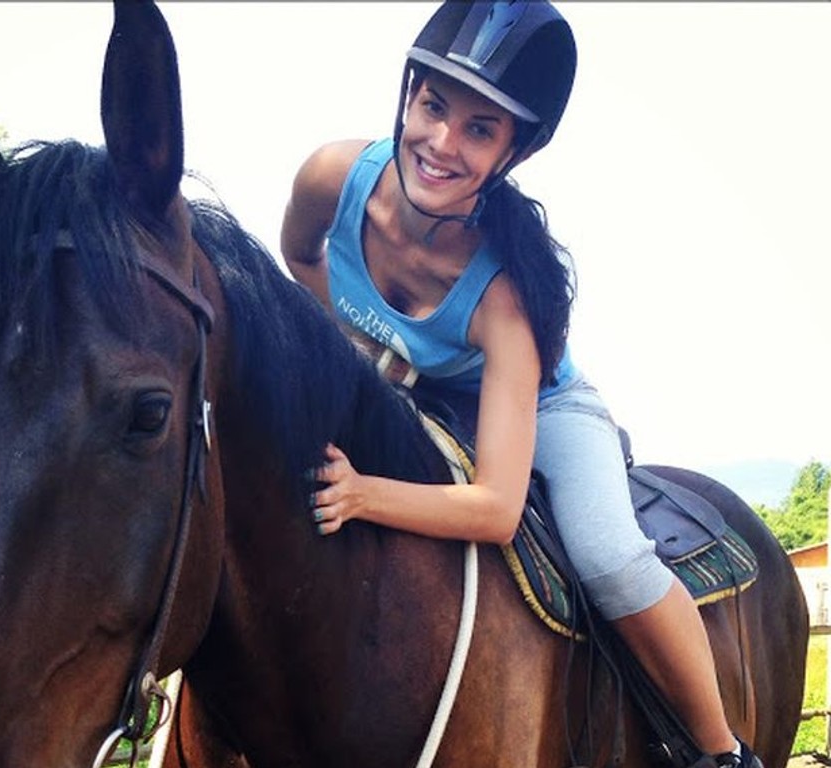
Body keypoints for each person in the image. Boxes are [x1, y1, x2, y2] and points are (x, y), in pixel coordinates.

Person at [279, 2, 762, 767]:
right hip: (415, 383)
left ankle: (720, 750)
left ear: (515, 150)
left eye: (479, 129)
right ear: (408, 95)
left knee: (608, 557)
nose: (442, 143)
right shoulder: (331, 177)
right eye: (434, 106)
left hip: (545, 405)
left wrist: (362, 495)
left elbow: (498, 510)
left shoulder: (506, 295)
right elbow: (302, 259)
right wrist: (364, 349)